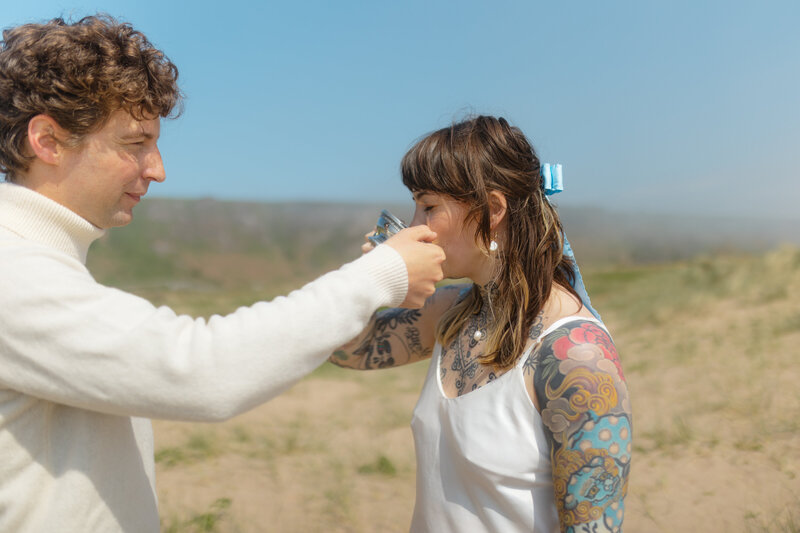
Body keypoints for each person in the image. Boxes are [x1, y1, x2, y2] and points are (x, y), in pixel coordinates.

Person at [0, 14, 445, 532]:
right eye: (133, 143)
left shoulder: (39, 266)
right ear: (48, 141)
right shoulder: (15, 274)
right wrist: (381, 275)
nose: (157, 169)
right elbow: (202, 374)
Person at [331, 116, 632, 532]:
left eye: (429, 206)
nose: (415, 225)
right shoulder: (453, 313)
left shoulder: (576, 355)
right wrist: (370, 284)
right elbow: (347, 351)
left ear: (492, 211)